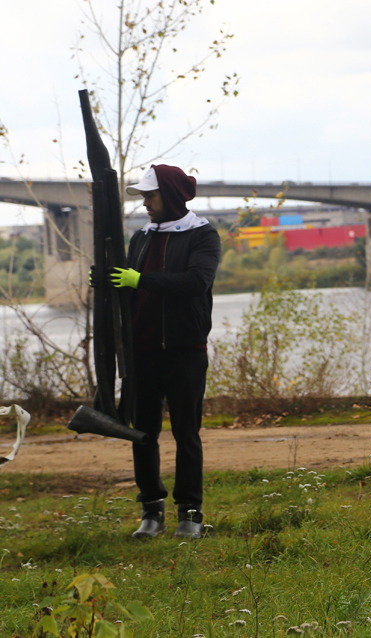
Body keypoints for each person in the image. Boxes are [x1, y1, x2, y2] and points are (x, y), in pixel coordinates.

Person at [112, 164, 221, 540]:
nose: (145, 204)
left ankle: (190, 512)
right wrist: (110, 282)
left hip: (185, 351)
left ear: (171, 196)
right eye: (143, 197)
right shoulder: (141, 237)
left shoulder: (202, 235)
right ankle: (151, 511)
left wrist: (140, 279)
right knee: (142, 434)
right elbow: (131, 292)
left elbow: (196, 282)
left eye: (150, 196)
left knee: (186, 434)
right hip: (143, 353)